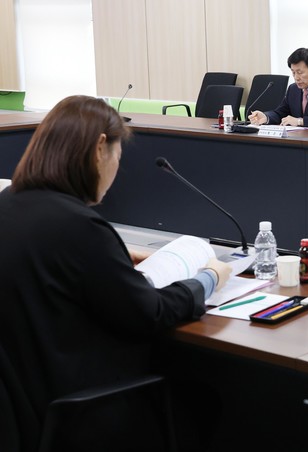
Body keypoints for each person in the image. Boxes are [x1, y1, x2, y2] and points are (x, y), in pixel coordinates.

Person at [0, 95, 232, 451]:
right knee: (205, 401)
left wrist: (111, 257)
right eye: (118, 158)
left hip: (29, 409)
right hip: (83, 413)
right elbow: (150, 313)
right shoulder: (77, 226)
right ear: (99, 148)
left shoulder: (8, 204)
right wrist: (207, 279)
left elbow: (52, 269)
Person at [249, 47, 308, 128]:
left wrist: (299, 121)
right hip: (296, 139)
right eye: (293, 72)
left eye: (300, 72)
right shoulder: (293, 89)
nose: (296, 77)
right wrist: (266, 117)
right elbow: (280, 113)